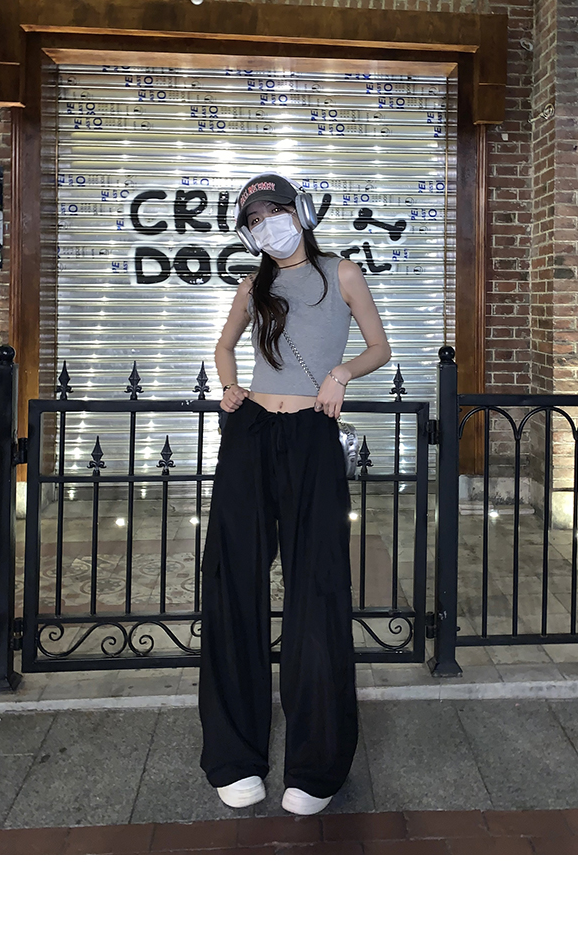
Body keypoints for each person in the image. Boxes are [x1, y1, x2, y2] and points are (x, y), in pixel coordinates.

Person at [198, 171, 392, 816]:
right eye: (253, 221)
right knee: (233, 582)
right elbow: (224, 347)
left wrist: (341, 373)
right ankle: (234, 756)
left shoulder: (341, 273)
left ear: (299, 212)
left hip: (311, 433)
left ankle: (316, 766)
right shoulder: (253, 286)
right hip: (251, 432)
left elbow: (380, 347)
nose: (266, 226)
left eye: (273, 212)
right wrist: (230, 388)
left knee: (318, 585)